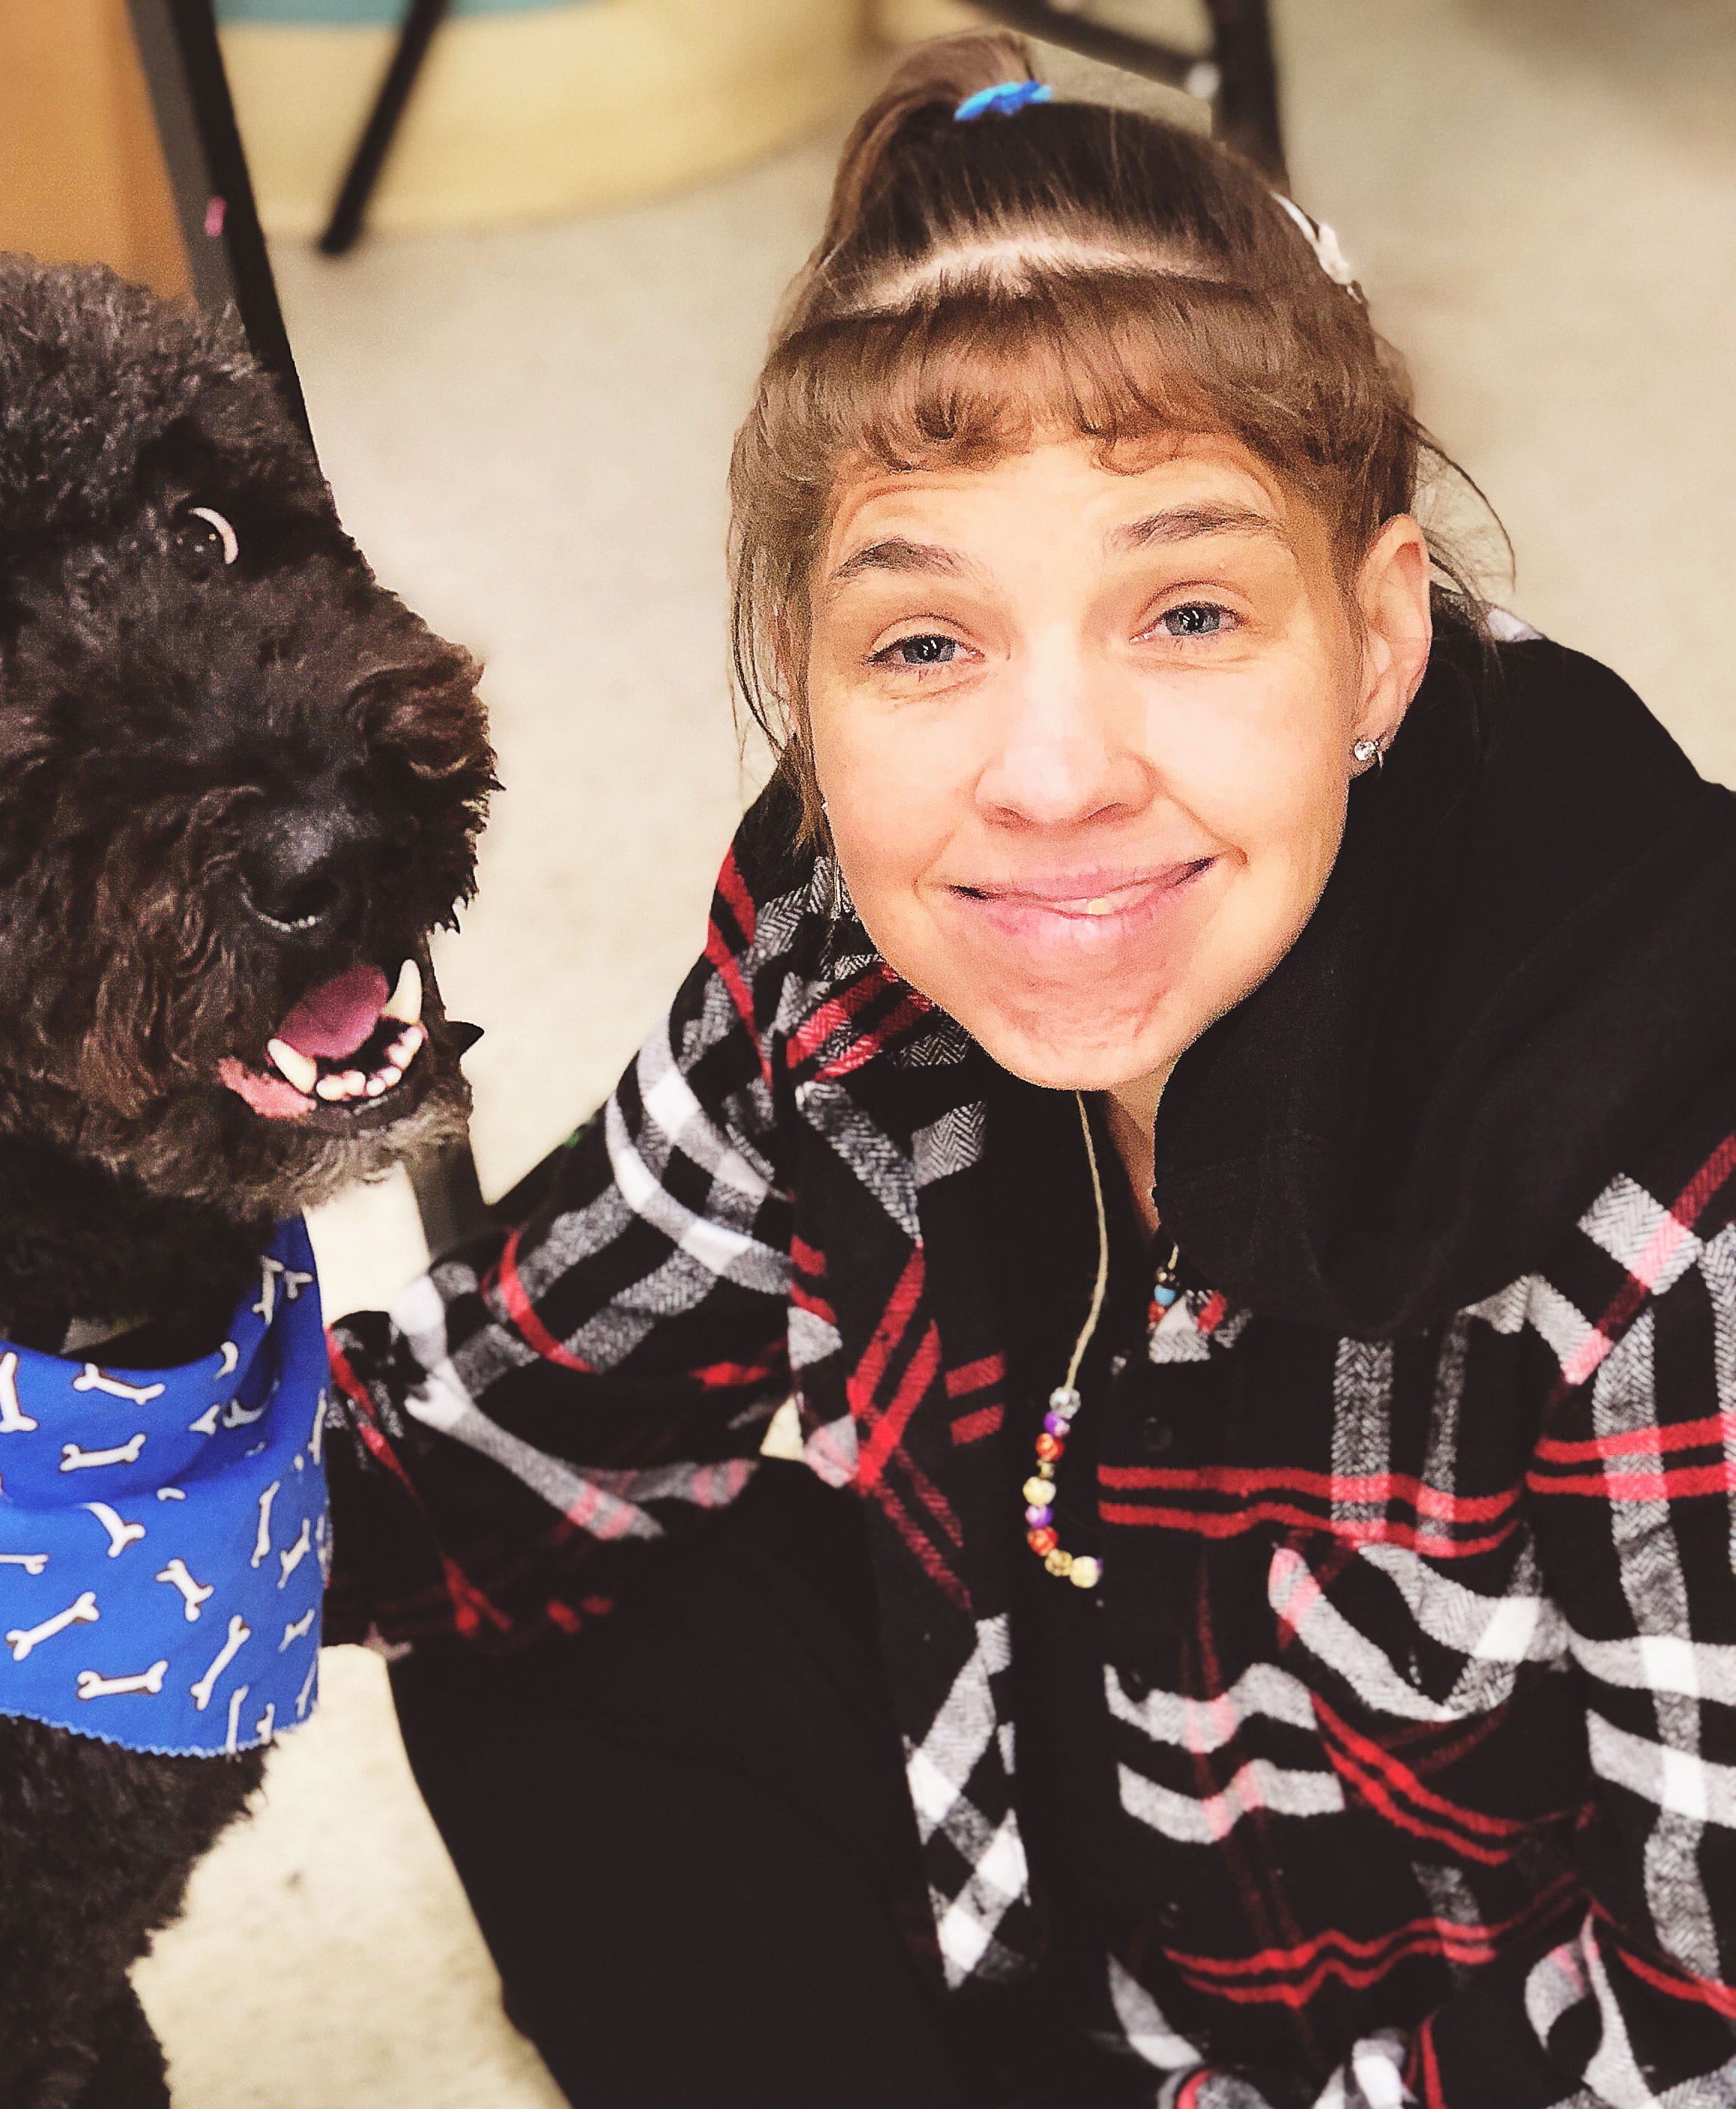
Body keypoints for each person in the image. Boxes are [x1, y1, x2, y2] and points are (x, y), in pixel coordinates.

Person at [322, 32, 1736, 2108]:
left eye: (1187, 612)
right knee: (552, 1613)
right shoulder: (846, 953)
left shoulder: (1661, 1178)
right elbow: (521, 1410)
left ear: (1383, 640)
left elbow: (1706, 2014)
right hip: (1086, 1945)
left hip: (1458, 2070)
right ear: (802, 687)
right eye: (924, 645)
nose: (1055, 780)